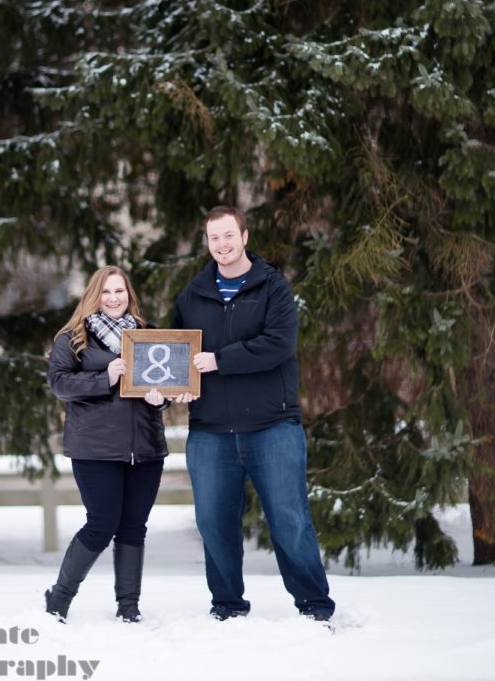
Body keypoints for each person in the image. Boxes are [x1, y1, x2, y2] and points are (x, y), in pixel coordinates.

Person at [172, 205, 335, 623]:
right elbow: (176, 354)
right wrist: (176, 388)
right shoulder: (192, 296)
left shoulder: (273, 288)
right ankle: (227, 606)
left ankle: (314, 606)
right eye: (214, 238)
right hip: (210, 431)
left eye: (229, 236)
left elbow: (279, 344)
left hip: (272, 426)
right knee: (213, 523)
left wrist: (219, 360)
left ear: (244, 237)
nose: (222, 245)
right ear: (207, 243)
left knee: (289, 520)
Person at [45, 265, 168, 623]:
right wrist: (105, 378)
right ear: (94, 295)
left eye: (120, 291)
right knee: (102, 524)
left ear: (129, 295)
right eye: (106, 292)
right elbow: (59, 384)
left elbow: (166, 383)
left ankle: (128, 606)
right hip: (95, 449)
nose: (114, 298)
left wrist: (163, 398)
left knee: (133, 527)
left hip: (145, 447)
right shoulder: (73, 338)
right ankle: (60, 599)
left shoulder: (148, 336)